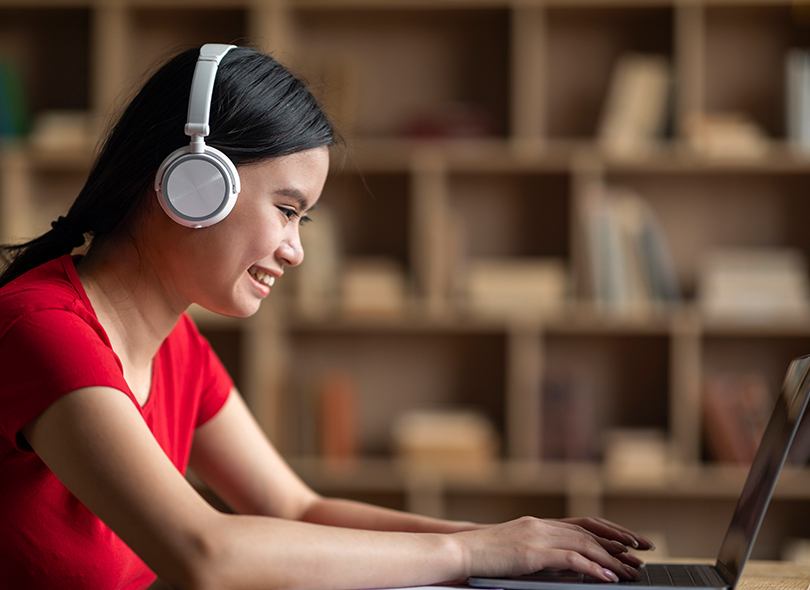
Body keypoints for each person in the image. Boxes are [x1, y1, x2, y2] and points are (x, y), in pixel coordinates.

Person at [0, 43, 653, 590]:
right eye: (286, 209)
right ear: (191, 183)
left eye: (302, 219)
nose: (297, 248)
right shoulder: (43, 330)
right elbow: (204, 553)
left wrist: (513, 544)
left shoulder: (175, 343)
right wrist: (469, 554)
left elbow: (296, 507)